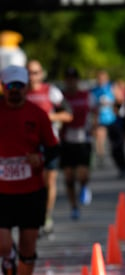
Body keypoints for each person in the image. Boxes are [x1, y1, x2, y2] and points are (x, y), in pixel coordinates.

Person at [0, 65, 59, 275]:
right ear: (3, 86)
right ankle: (8, 258)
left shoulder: (37, 114)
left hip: (31, 192)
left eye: (19, 85)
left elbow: (53, 148)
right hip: (2, 193)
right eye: (10, 85)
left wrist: (40, 157)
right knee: (3, 245)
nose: (15, 90)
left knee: (28, 249)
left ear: (26, 87)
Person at [26, 59, 73, 235]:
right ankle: (33, 217)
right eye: (29, 73)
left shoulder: (51, 92)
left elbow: (68, 115)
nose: (32, 77)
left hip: (49, 142)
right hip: (28, 146)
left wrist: (47, 118)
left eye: (36, 72)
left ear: (42, 74)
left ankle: (46, 216)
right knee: (32, 183)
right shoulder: (20, 92)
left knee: (49, 181)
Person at [60, 67, 94, 220]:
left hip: (83, 138)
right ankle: (74, 206)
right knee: (68, 177)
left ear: (77, 80)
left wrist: (94, 125)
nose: (71, 81)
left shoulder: (86, 95)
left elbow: (95, 111)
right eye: (68, 78)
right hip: (66, 140)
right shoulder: (61, 97)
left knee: (82, 173)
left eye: (73, 78)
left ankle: (85, 186)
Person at [90, 69, 125, 177]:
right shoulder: (94, 90)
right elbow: (91, 107)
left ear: (106, 78)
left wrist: (113, 105)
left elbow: (121, 100)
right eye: (99, 78)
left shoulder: (111, 87)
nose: (101, 80)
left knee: (116, 145)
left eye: (103, 78)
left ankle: (123, 167)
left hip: (112, 119)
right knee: (99, 138)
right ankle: (100, 157)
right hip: (100, 120)